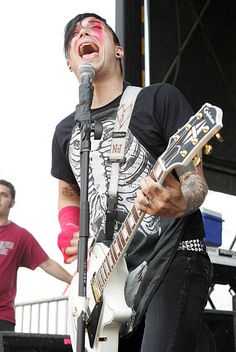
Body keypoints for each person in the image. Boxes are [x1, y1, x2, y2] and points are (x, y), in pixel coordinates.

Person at [51, 13, 213, 352]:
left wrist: (184, 200)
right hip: (108, 281)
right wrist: (69, 231)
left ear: (119, 49)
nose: (84, 32)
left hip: (171, 257)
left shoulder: (157, 99)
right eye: (74, 34)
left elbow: (194, 180)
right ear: (70, 61)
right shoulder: (66, 132)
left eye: (95, 28)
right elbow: (68, 193)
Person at [0, 179, 73, 332]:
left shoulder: (20, 236)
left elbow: (47, 264)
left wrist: (76, 283)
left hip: (3, 316)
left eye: (4, 195)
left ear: (12, 202)